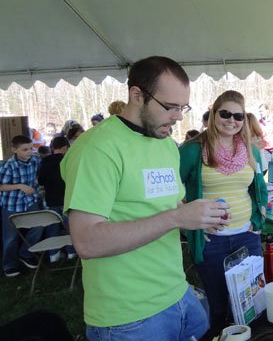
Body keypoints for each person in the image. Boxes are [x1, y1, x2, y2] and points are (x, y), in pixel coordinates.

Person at [61, 56, 225, 341]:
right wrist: (176, 217)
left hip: (179, 293)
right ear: (136, 95)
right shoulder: (97, 149)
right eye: (170, 107)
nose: (178, 116)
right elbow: (86, 241)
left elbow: (168, 206)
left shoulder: (166, 145)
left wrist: (194, 218)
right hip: (127, 317)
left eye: (183, 107)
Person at [179, 90, 268, 334]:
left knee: (253, 301)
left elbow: (259, 187)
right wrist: (193, 222)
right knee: (219, 305)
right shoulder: (193, 150)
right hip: (211, 241)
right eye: (225, 113)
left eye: (238, 116)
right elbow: (171, 191)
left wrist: (256, 221)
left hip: (247, 237)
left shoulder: (251, 151)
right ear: (213, 115)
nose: (232, 120)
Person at [0, 135, 42, 277]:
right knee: (10, 237)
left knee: (39, 225)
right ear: (14, 150)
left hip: (30, 201)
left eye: (31, 148)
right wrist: (20, 186)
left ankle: (25, 253)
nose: (29, 152)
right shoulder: (9, 165)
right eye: (25, 149)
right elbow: (2, 186)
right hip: (12, 204)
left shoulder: (35, 160)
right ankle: (9, 264)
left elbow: (37, 175)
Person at [38, 136, 76, 262]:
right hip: (67, 200)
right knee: (69, 228)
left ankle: (53, 254)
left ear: (53, 148)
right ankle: (71, 252)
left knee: (52, 228)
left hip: (51, 201)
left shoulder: (44, 162)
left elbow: (41, 181)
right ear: (65, 148)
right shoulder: (70, 161)